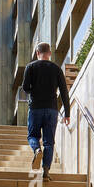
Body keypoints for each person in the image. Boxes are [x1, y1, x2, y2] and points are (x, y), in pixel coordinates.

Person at [22, 42, 70, 178]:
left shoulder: (30, 67)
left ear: (37, 53)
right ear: (49, 53)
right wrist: (67, 113)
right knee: (49, 141)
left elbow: (25, 88)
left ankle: (37, 149)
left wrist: (34, 91)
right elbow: (64, 92)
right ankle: (46, 171)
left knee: (32, 136)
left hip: (35, 107)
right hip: (51, 109)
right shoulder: (56, 69)